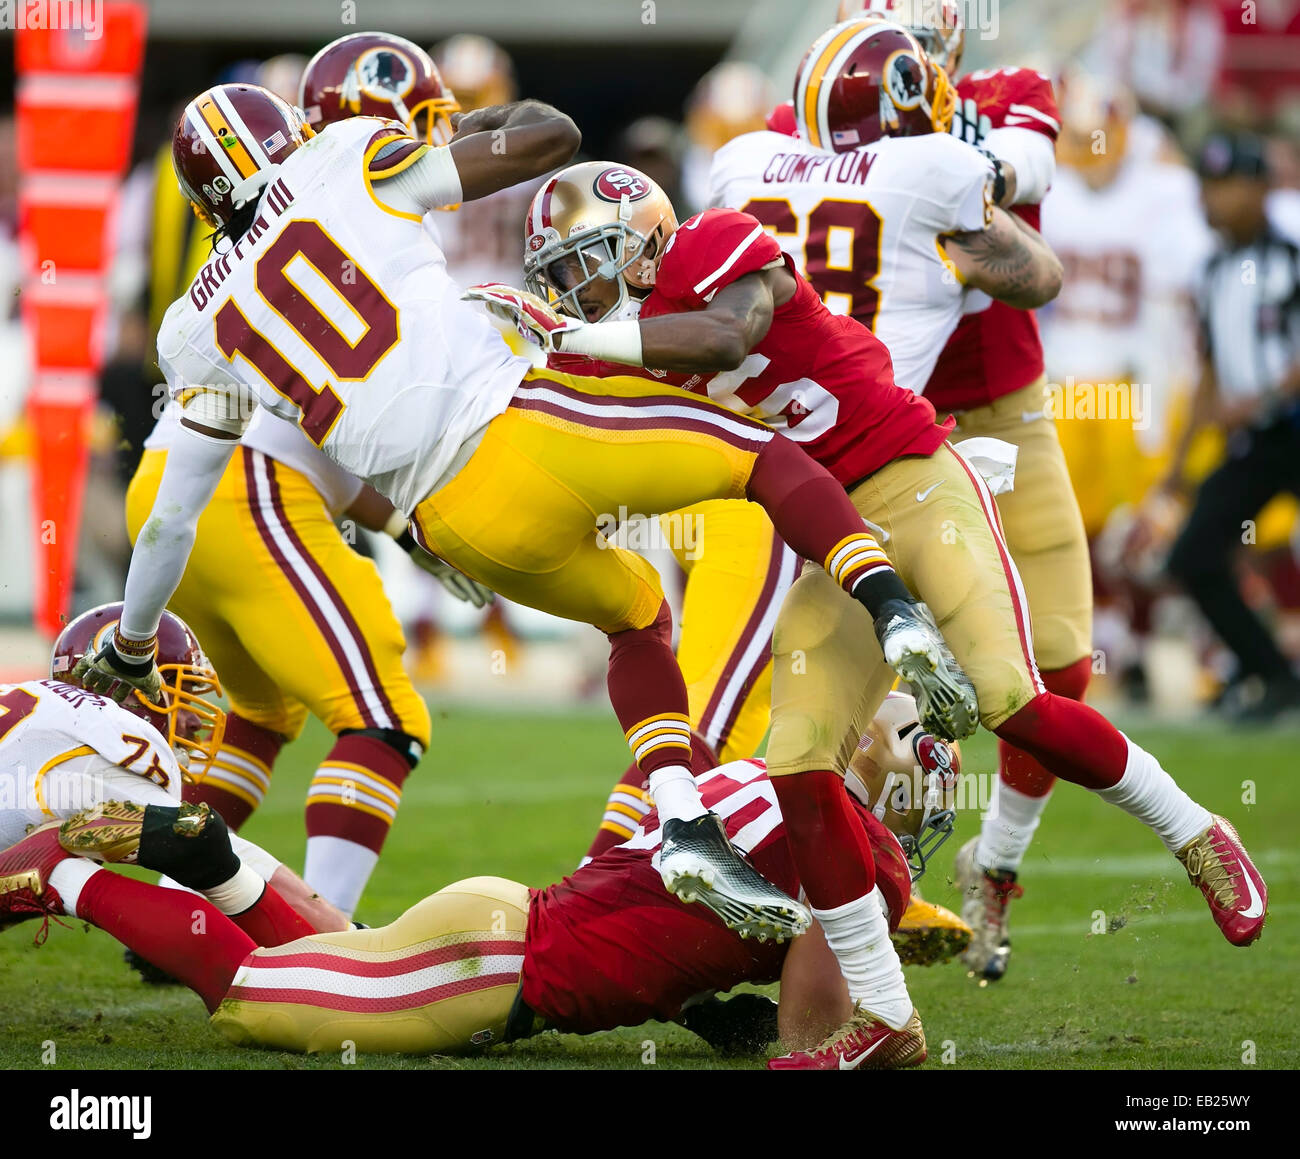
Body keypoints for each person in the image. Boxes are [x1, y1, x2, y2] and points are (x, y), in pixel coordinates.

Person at [483, 18, 1268, 1068]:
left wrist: (576, 336)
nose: (575, 294)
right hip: (828, 530)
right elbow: (552, 422)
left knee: (1011, 696)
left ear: (642, 236)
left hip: (912, 475)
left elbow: (723, 334)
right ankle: (884, 1018)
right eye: (560, 279)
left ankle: (1198, 834)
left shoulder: (714, 245)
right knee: (799, 766)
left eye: (587, 267)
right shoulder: (625, 333)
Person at [74, 82, 967, 949]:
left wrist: (133, 642)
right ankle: (899, 614)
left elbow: (167, 521)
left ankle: (687, 824)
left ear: (199, 201)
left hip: (455, 522)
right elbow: (555, 137)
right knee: (768, 454)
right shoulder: (342, 161)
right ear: (286, 140)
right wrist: (462, 129)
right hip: (516, 429)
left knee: (637, 615)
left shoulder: (192, 328)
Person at [51, 752, 929, 1067]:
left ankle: (216, 856)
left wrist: (697, 1007)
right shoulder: (869, 860)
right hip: (487, 973)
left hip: (495, 920)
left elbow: (655, 911)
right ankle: (65, 880)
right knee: (244, 994)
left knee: (347, 955)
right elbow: (812, 1046)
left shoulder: (754, 776)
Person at [0, 604, 346, 953]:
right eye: (181, 694)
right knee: (67, 873)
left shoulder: (43, 711)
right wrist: (344, 935)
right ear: (125, 692)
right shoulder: (99, 750)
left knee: (50, 868)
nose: (196, 722)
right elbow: (216, 849)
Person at [1163, 130, 1300, 722]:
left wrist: (1265, 396)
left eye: (1227, 185)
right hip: (1262, 441)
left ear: (1261, 188)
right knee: (1193, 553)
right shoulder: (1214, 270)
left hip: (1289, 420)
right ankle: (1269, 672)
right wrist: (1177, 468)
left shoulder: (1290, 260)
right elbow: (1211, 371)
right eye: (1208, 185)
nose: (1212, 199)